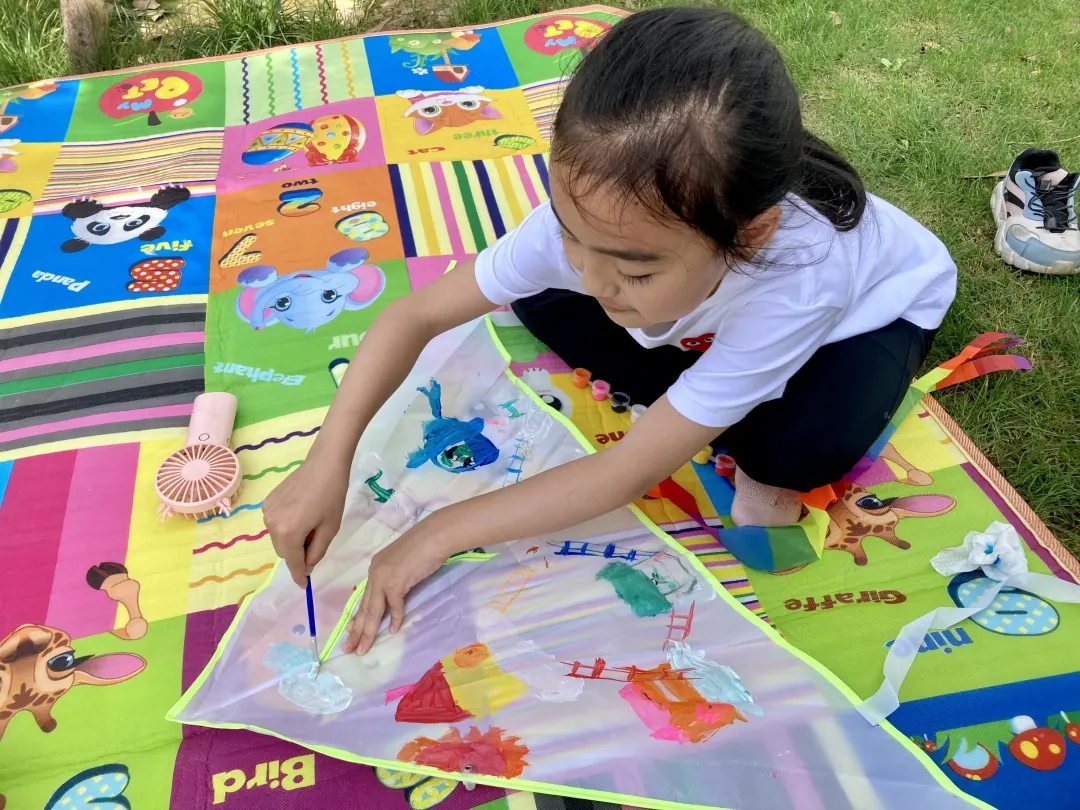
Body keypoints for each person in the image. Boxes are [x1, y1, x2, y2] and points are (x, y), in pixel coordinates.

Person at [262, 6, 956, 655]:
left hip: (870, 318)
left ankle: (724, 402)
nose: (594, 279)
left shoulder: (800, 280)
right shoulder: (606, 227)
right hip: (709, 304)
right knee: (542, 297)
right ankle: (703, 380)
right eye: (571, 234)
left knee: (793, 454)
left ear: (748, 235)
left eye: (634, 267)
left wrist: (434, 533)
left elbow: (627, 470)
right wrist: (326, 461)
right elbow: (414, 314)